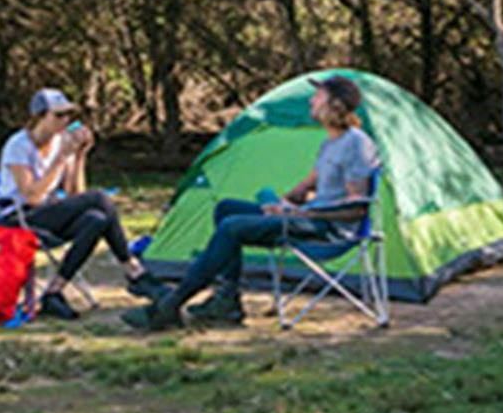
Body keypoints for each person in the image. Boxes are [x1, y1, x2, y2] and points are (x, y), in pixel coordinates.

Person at [123, 74, 380, 330]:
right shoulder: (331, 142)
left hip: (328, 229)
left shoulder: (356, 144)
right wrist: (284, 203)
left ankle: (171, 304)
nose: (312, 101)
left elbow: (355, 208)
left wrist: (304, 213)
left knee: (232, 227)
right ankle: (227, 300)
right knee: (225, 209)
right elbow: (309, 183)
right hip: (307, 218)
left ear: (334, 105)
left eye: (318, 96)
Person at [0, 87, 167, 319]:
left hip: (48, 213)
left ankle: (53, 293)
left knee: (96, 219)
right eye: (58, 115)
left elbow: (75, 193)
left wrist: (79, 156)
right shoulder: (18, 145)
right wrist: (59, 159)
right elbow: (32, 197)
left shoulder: (59, 143)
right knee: (100, 199)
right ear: (39, 117)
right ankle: (134, 271)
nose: (65, 121)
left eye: (68, 115)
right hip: (18, 217)